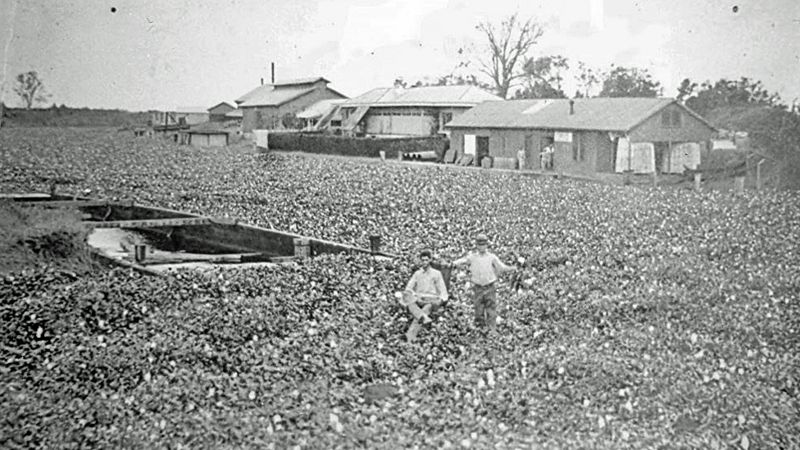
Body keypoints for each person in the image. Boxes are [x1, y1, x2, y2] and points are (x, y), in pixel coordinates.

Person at [451, 234, 516, 333]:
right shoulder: (473, 257)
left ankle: (492, 332)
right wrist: (452, 263)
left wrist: (512, 268)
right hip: (478, 287)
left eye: (484, 244)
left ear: (487, 245)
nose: (482, 247)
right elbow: (463, 260)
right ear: (476, 245)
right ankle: (480, 331)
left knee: (491, 310)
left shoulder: (491, 257)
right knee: (479, 310)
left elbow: (502, 267)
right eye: (479, 244)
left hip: (490, 287)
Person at [401, 249, 448, 342]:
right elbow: (408, 288)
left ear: (430, 260)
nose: (424, 262)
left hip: (431, 299)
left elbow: (443, 290)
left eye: (426, 260)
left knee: (427, 308)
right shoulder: (417, 274)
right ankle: (423, 318)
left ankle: (410, 336)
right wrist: (414, 295)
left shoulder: (436, 274)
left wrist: (441, 300)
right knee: (410, 303)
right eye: (422, 260)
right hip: (419, 299)